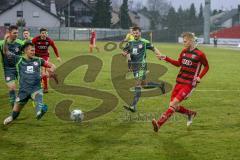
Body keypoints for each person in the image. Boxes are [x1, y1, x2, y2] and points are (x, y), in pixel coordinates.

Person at [152, 32, 209, 132]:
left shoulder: (200, 54)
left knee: (173, 104)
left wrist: (199, 77)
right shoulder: (183, 52)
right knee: (173, 106)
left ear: (191, 41)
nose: (183, 43)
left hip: (189, 84)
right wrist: (166, 58)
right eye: (183, 41)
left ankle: (159, 124)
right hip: (179, 82)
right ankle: (190, 113)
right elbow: (178, 64)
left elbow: (207, 66)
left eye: (185, 41)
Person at [3, 34, 57, 125]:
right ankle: (11, 117)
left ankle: (40, 111)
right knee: (15, 113)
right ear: (25, 51)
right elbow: (6, 52)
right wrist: (5, 40)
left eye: (34, 50)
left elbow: (52, 66)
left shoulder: (39, 60)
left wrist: (49, 72)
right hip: (23, 91)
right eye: (31, 50)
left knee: (38, 101)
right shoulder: (19, 59)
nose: (33, 52)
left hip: (35, 89)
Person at [122, 26, 165, 112]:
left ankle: (133, 106)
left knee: (137, 84)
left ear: (140, 33)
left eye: (137, 33)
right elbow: (125, 52)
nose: (135, 34)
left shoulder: (144, 42)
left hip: (142, 65)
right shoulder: (130, 42)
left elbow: (153, 48)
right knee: (144, 85)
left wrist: (159, 55)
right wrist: (124, 54)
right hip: (134, 66)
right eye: (134, 33)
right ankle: (159, 85)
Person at [0, 25, 24, 108]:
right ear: (9, 33)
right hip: (8, 69)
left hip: (20, 68)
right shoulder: (2, 43)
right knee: (12, 88)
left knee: (26, 88)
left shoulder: (20, 43)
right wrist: (5, 41)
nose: (16, 34)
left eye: (17, 33)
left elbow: (29, 52)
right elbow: (4, 52)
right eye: (14, 33)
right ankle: (14, 107)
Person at [32, 27, 61, 93]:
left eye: (45, 33)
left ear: (46, 34)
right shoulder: (35, 39)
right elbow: (30, 46)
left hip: (45, 56)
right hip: (36, 57)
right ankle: (51, 75)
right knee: (38, 72)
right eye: (42, 33)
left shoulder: (49, 40)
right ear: (40, 34)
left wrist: (58, 56)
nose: (44, 34)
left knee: (43, 70)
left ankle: (45, 88)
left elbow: (55, 48)